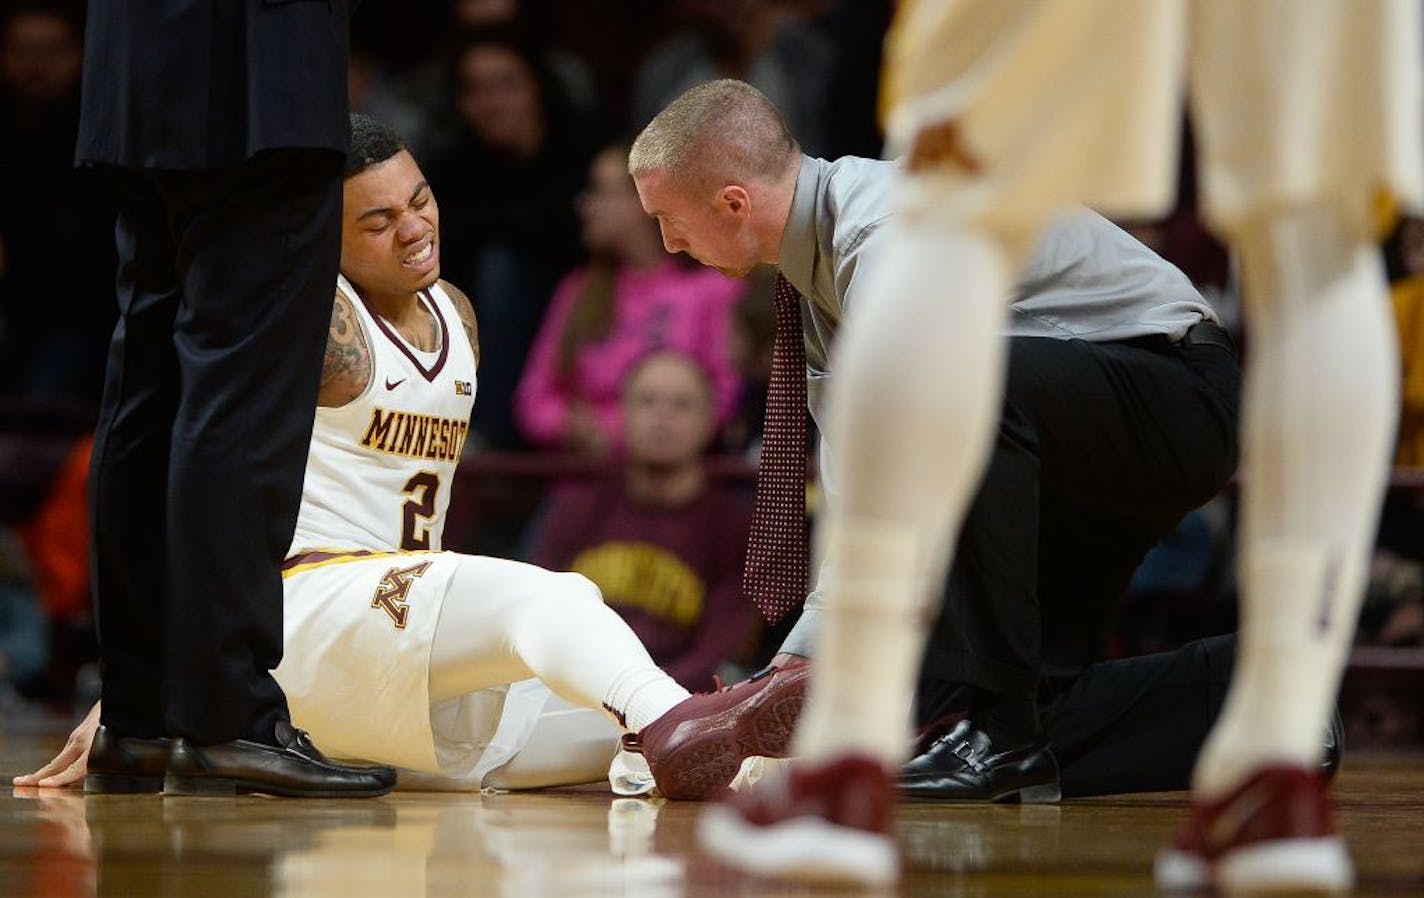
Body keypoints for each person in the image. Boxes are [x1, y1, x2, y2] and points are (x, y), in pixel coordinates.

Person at [667, 0, 1421, 890]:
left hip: (1164, 392)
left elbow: (913, 425)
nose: (667, 246)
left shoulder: (877, 220)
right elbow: (859, 475)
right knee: (1315, 229)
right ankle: (1267, 737)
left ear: (732, 196)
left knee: (960, 220)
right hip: (1093, 425)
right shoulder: (821, 272)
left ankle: (861, 758)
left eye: (669, 221)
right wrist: (799, 657)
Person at [16, 115, 807, 802]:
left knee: (593, 720)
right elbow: (195, 481)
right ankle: (677, 726)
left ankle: (735, 757)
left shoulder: (456, 311)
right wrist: (139, 682)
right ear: (321, 240)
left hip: (386, 636)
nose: (414, 227)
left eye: (420, 199)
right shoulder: (309, 320)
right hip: (301, 605)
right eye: (377, 220)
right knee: (555, 601)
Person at [73, 0, 395, 797]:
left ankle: (140, 715)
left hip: (139, 65)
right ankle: (227, 715)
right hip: (257, 72)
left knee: (149, 380)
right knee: (241, 391)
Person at [531, 349, 756, 690]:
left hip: (681, 705)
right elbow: (538, 617)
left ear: (711, 421)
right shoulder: (576, 510)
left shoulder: (731, 527)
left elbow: (725, 648)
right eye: (648, 401)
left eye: (682, 404)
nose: (663, 416)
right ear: (623, 413)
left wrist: (646, 695)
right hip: (575, 695)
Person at [515, 142, 744, 456]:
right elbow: (533, 399)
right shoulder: (580, 288)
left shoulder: (712, 287)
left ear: (645, 201)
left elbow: (725, 397)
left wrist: (617, 431)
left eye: (599, 191)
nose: (585, 205)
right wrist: (569, 425)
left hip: (680, 481)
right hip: (584, 481)